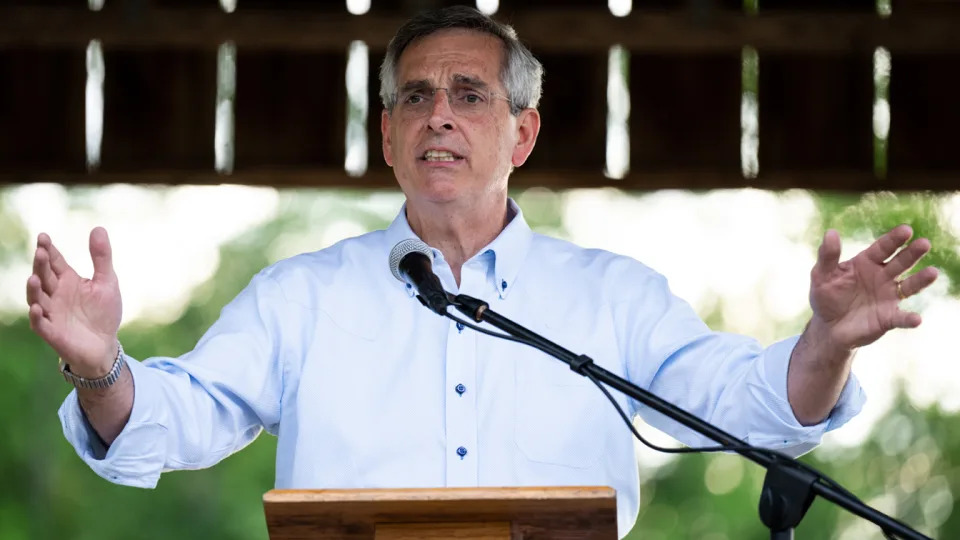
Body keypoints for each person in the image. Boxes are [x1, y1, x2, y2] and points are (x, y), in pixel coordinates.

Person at [26, 6, 938, 537]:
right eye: (414, 98)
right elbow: (173, 422)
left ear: (523, 132)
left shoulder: (610, 296)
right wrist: (101, 364)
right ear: (386, 137)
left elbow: (743, 405)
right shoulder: (301, 298)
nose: (439, 118)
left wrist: (825, 343)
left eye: (470, 96)